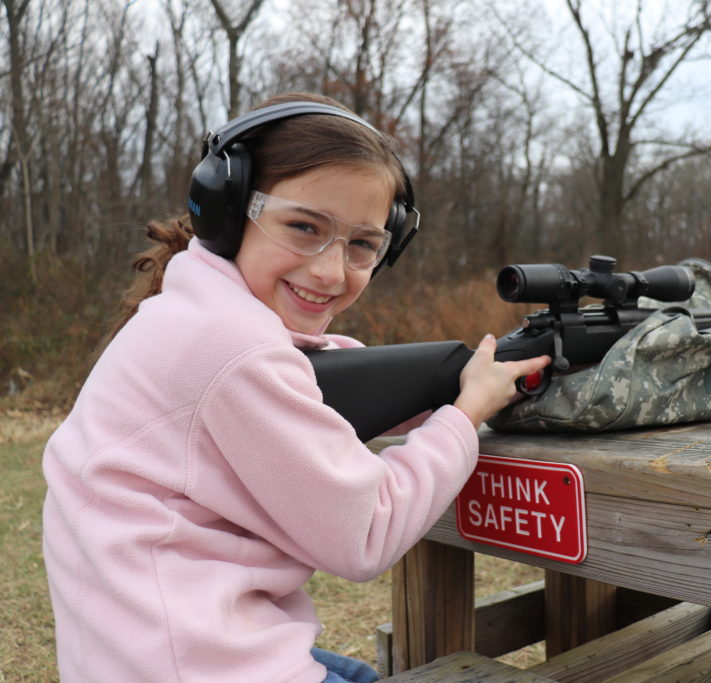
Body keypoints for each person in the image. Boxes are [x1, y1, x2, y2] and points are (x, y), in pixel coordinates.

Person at [41, 92, 550, 682]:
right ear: (228, 211)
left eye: (363, 243)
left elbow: (302, 373)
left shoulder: (186, 312)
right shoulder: (237, 350)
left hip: (137, 653)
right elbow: (367, 534)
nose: (332, 271)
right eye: (304, 227)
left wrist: (428, 390)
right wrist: (464, 415)